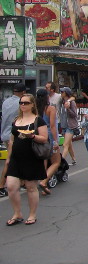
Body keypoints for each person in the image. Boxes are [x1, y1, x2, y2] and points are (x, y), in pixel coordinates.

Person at [5, 93, 48, 226]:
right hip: (16, 158)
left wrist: (32, 136)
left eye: (26, 103)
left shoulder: (38, 120)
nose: (23, 105)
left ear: (32, 105)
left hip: (32, 158)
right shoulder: (16, 120)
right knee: (11, 186)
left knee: (30, 187)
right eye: (21, 103)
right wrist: (8, 157)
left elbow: (44, 138)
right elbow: (12, 141)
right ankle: (17, 213)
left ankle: (32, 214)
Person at [0, 83, 27, 197]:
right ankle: (1, 186)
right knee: (11, 160)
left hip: (5, 134)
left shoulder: (6, 101)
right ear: (23, 92)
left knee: (18, 159)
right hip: (14, 135)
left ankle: (22, 182)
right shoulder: (20, 104)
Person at [36, 89, 59, 196]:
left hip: (38, 135)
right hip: (49, 135)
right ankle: (44, 182)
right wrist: (55, 141)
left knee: (43, 160)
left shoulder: (35, 109)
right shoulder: (50, 108)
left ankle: (42, 183)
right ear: (47, 97)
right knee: (56, 161)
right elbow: (53, 126)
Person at [59, 87, 78, 165]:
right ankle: (73, 159)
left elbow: (74, 114)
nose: (61, 93)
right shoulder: (63, 101)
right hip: (64, 125)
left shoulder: (71, 103)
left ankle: (61, 162)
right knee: (69, 144)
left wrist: (68, 109)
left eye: (62, 92)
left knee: (65, 144)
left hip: (70, 126)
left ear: (66, 93)